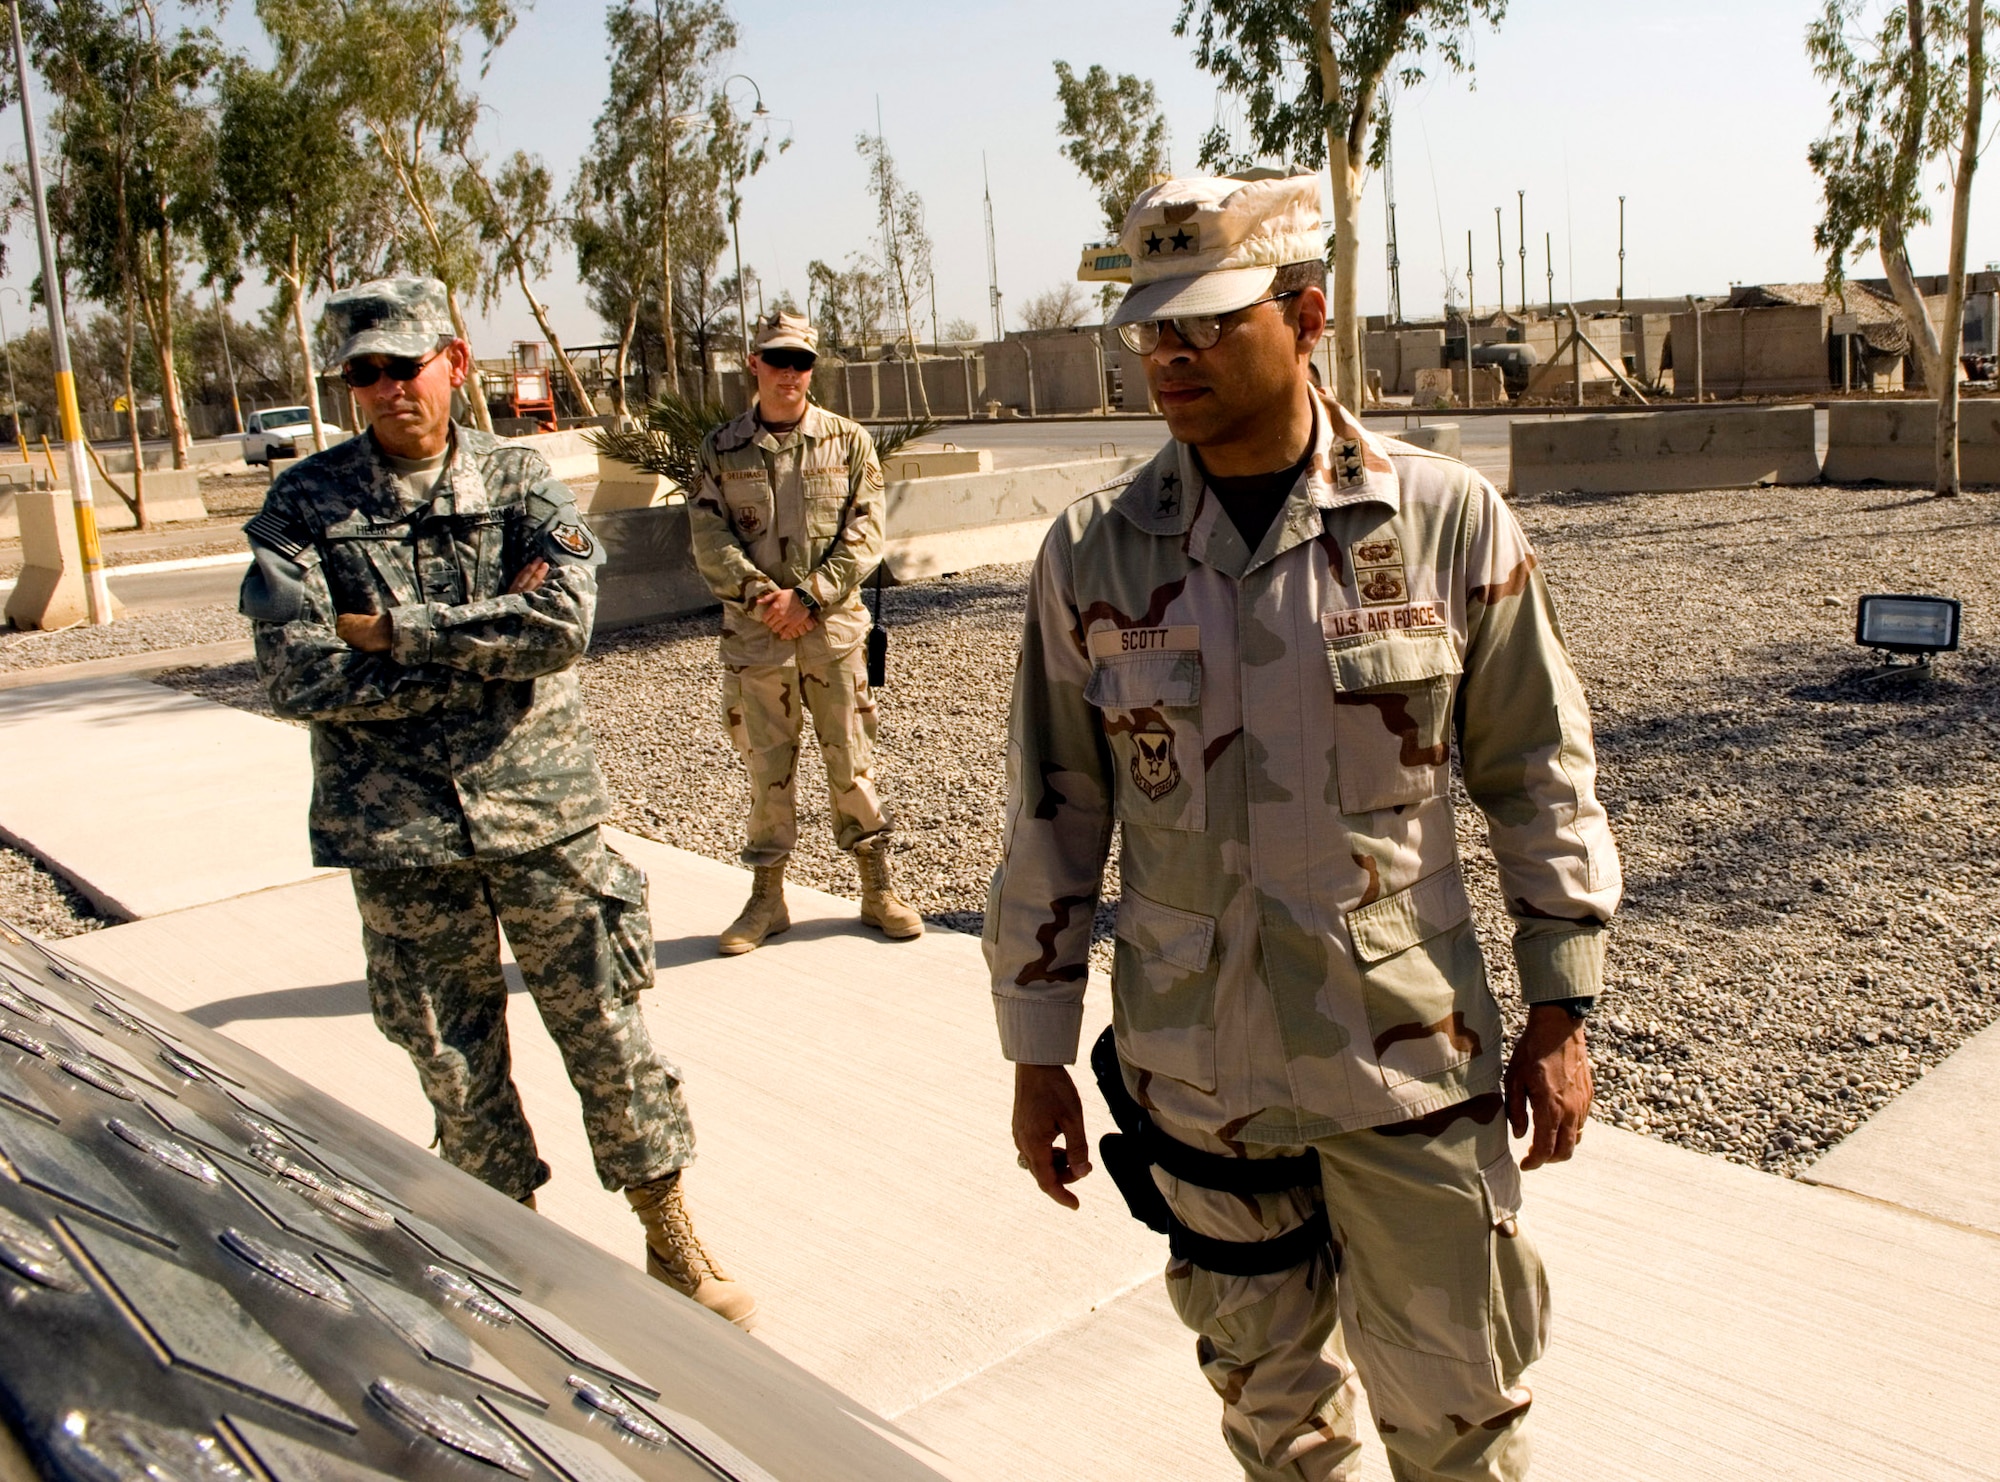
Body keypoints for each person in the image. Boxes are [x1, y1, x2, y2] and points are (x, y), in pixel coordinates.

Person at [986, 175, 1622, 1481]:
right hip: (1200, 1080)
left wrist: (1561, 1002)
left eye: (1208, 322)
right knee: (1277, 1432)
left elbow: (1537, 770)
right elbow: (1055, 813)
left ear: (1306, 313)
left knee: (1462, 1428)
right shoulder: (1093, 555)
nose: (1170, 351)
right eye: (1153, 325)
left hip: (1403, 1069)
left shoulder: (1444, 523)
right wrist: (1036, 1047)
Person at [238, 276, 755, 1328]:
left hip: (541, 812)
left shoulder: (520, 480)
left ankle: (671, 1237)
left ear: (454, 364)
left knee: (608, 1032)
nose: (387, 389)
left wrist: (392, 632)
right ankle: (508, 1253)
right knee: (449, 1052)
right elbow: (295, 676)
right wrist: (483, 646)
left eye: (405, 365)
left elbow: (561, 624)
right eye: (363, 373)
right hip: (401, 837)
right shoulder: (304, 507)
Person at [687, 309, 921, 954]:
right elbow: (709, 537)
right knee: (767, 767)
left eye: (802, 362)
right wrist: (768, 599)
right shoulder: (721, 448)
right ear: (754, 364)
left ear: (813, 369)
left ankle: (877, 890)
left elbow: (866, 532)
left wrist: (811, 599)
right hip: (759, 637)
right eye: (777, 360)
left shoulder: (848, 442)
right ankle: (767, 899)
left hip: (833, 634)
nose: (789, 373)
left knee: (851, 758)